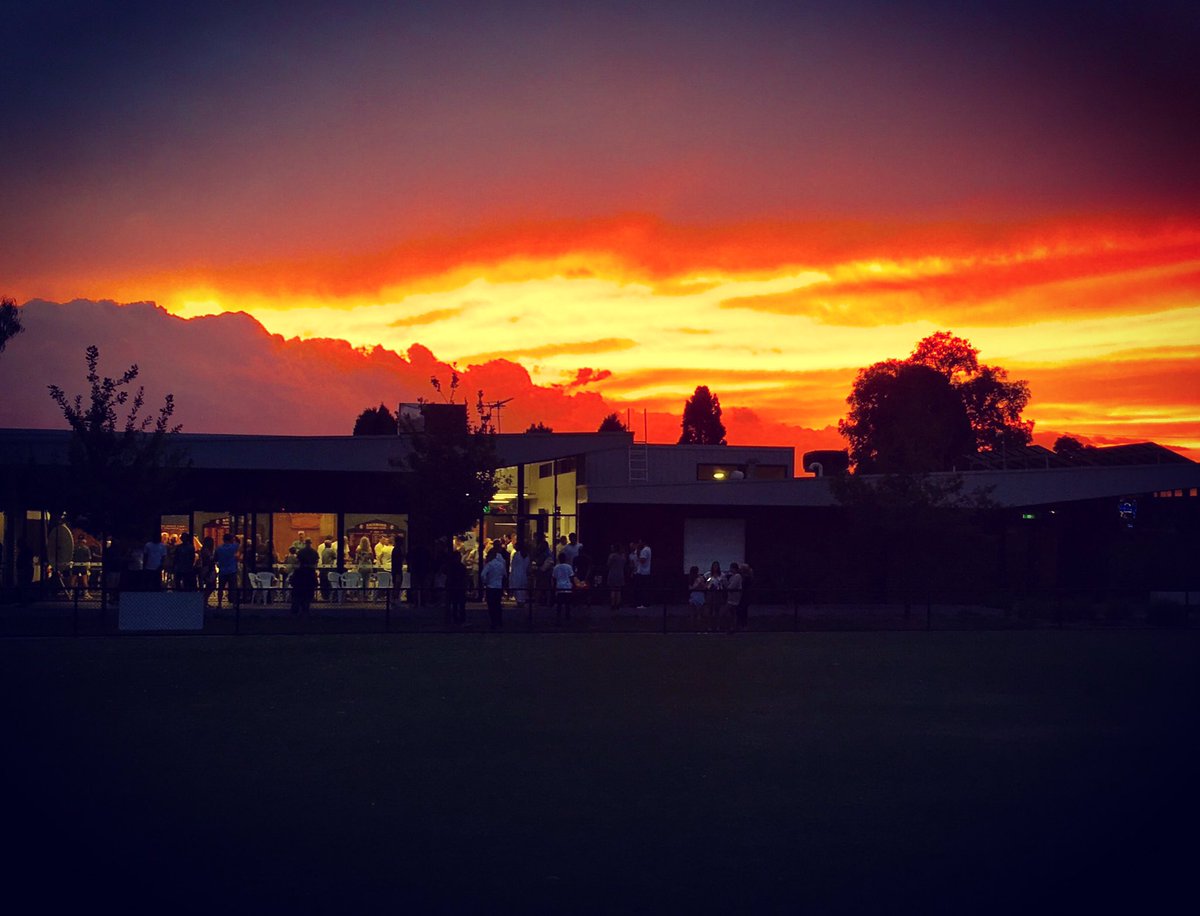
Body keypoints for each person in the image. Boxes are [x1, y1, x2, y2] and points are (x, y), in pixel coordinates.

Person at [481, 548, 507, 630]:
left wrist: (485, 582)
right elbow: (504, 575)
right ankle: (499, 621)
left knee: (491, 606)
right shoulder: (501, 565)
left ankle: (493, 622)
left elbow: (483, 575)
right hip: (498, 587)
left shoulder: (489, 565)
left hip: (491, 587)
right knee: (498, 605)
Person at [291, 538, 319, 615]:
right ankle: (305, 612)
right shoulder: (314, 552)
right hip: (310, 576)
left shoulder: (301, 552)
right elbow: (316, 561)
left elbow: (294, 580)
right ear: (311, 543)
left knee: (299, 598)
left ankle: (297, 613)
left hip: (301, 578)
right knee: (308, 599)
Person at [214, 533, 239, 607]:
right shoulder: (234, 547)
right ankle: (234, 603)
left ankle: (219, 603)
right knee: (233, 588)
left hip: (223, 570)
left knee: (221, 588)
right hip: (232, 570)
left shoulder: (219, 548)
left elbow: (215, 558)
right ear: (231, 539)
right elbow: (239, 543)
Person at [445, 549, 468, 626]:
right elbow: (465, 577)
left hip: (454, 587)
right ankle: (461, 619)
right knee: (460, 604)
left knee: (455, 604)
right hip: (459, 587)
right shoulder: (461, 567)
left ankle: (455, 619)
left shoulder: (451, 567)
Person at [552, 551, 576, 625]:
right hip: (567, 587)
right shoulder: (569, 567)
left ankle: (559, 617)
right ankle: (567, 617)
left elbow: (554, 578)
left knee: (559, 604)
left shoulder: (556, 567)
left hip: (559, 587)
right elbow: (571, 577)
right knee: (567, 604)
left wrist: (554, 587)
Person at [723, 562, 744, 633]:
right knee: (732, 613)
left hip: (734, 598)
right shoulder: (732, 576)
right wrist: (724, 580)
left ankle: (732, 627)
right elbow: (727, 586)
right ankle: (732, 627)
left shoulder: (737, 576)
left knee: (728, 611)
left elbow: (731, 587)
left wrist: (728, 586)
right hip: (730, 597)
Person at [71, 533, 93, 598]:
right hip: (83, 566)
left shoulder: (74, 548)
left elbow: (71, 556)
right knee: (85, 581)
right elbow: (89, 558)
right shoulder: (86, 548)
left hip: (75, 566)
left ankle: (71, 593)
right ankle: (86, 594)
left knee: (73, 580)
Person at [634, 538, 652, 608]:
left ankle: (642, 603)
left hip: (642, 572)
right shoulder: (649, 549)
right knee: (645, 588)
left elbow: (642, 560)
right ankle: (645, 603)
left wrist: (638, 556)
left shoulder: (644, 550)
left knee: (641, 589)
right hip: (646, 571)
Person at [606, 544, 625, 610]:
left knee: (613, 590)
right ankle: (618, 605)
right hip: (620, 574)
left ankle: (613, 604)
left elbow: (608, 564)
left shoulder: (612, 556)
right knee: (619, 590)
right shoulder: (622, 556)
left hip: (613, 573)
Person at [198, 536, 216, 605]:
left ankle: (205, 600)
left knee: (210, 585)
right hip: (208, 569)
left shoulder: (204, 550)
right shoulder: (206, 551)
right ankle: (204, 600)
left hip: (206, 568)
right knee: (211, 585)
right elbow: (209, 560)